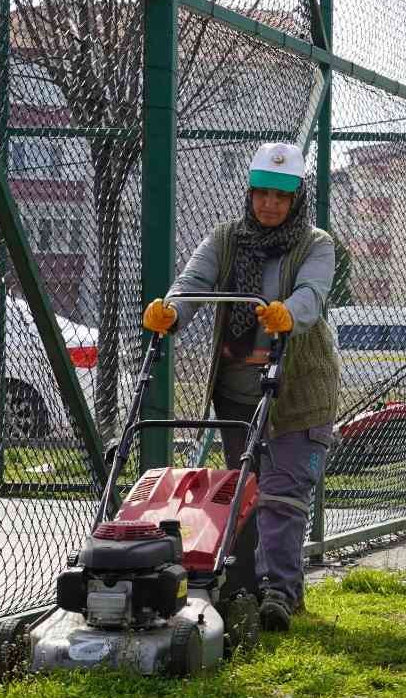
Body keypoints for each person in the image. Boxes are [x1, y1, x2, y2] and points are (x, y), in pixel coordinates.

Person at [140, 141, 339, 633]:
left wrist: (289, 313)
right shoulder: (226, 238)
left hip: (298, 389)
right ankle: (244, 589)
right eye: (262, 194)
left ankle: (280, 594)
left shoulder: (316, 243)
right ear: (249, 193)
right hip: (238, 390)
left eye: (281, 195)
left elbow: (313, 293)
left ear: (297, 198)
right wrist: (171, 311)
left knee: (282, 495)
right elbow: (193, 282)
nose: (270, 204)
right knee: (246, 492)